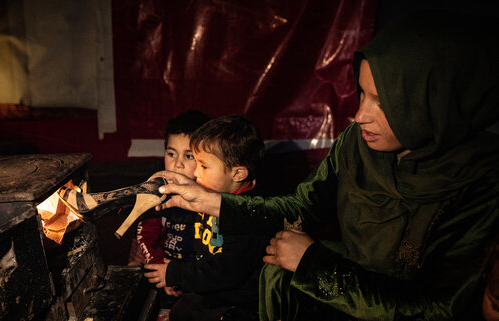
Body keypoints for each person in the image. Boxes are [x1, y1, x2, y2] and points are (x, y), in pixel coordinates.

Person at [153, 11, 499, 320]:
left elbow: (434, 309)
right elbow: (301, 208)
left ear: (434, 103)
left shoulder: (481, 184)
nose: (360, 116)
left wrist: (314, 264)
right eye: (362, 94)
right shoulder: (357, 146)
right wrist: (211, 201)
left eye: (384, 102)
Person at [144, 114, 270, 321]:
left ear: (238, 174)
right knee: (180, 311)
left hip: (239, 302)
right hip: (211, 292)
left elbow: (227, 271)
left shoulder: (247, 216)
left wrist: (176, 274)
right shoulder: (211, 196)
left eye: (203, 166)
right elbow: (202, 251)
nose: (196, 173)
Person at [135, 110, 209, 317]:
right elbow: (146, 234)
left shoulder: (211, 199)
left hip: (200, 279)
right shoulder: (156, 193)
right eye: (171, 154)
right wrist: (160, 269)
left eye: (189, 156)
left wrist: (180, 275)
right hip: (164, 271)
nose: (177, 164)